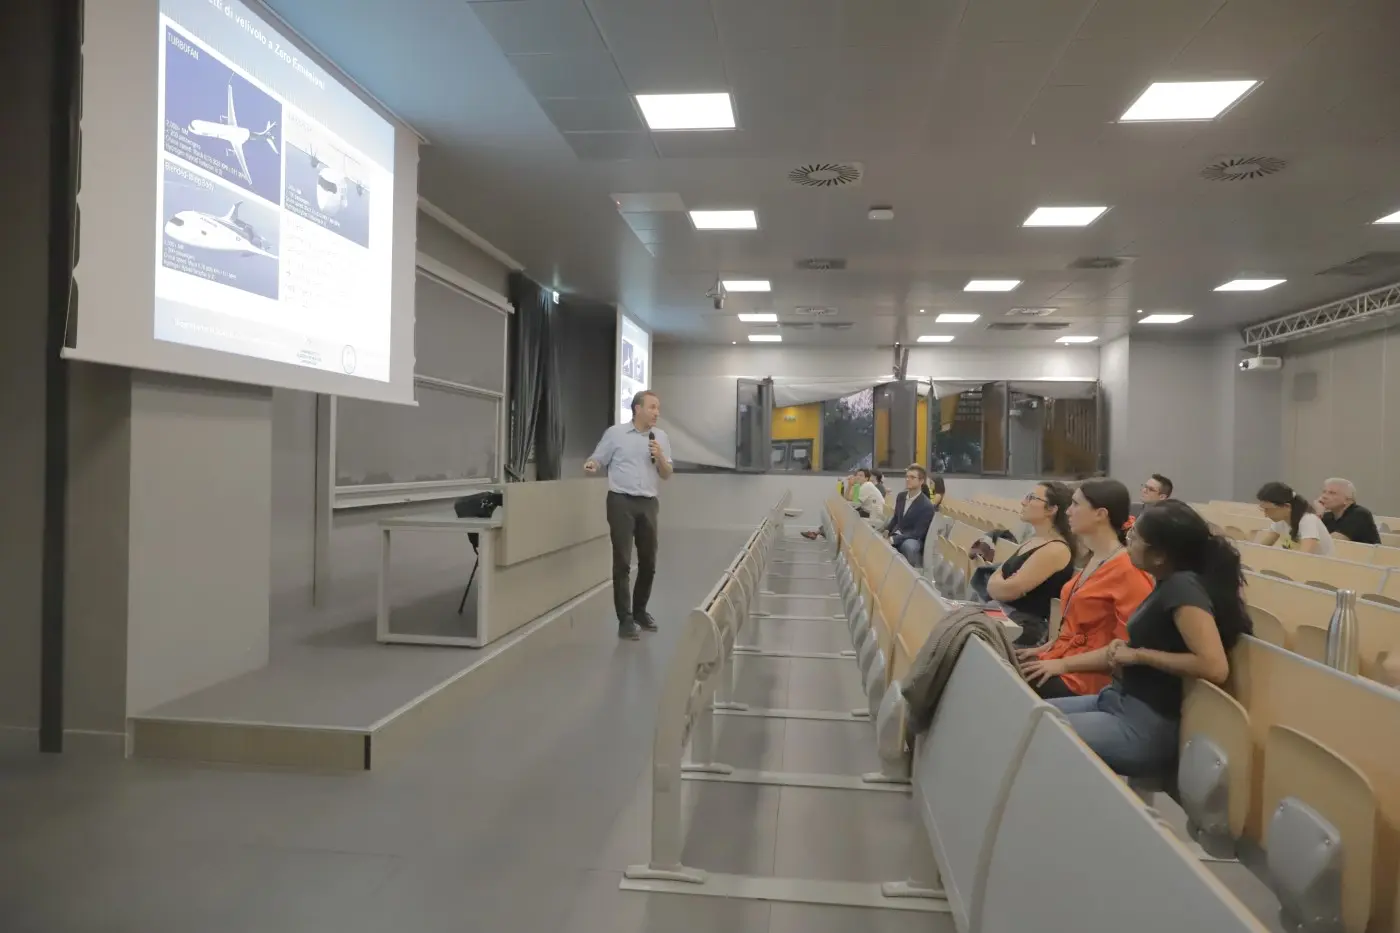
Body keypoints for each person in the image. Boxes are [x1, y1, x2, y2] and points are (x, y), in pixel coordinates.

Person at [1049, 500, 1251, 777]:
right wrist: (1127, 649)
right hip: (1117, 700)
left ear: (1159, 556)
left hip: (1143, 724)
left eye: (1134, 538)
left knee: (1040, 730)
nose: (1128, 542)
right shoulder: (1167, 582)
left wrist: (1139, 654)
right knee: (1028, 712)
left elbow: (1214, 666)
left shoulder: (1183, 588)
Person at [1020, 480, 1155, 700]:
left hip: (1089, 679)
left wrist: (1062, 664)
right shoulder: (1096, 558)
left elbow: (1125, 647)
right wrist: (1045, 649)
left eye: (1075, 504)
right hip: (1066, 662)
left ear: (1100, 514)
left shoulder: (1129, 570)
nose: (1068, 511)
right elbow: (1083, 630)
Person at [584, 390, 673, 640]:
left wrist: (660, 456)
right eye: (652, 407)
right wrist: (592, 464)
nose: (656, 413)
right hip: (620, 501)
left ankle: (640, 611)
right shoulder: (616, 434)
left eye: (658, 408)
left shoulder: (661, 437)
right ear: (637, 409)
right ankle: (625, 619)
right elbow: (598, 458)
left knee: (649, 561)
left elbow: (667, 473)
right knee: (622, 561)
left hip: (649, 503)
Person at [985, 483, 1077, 646]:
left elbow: (1008, 590)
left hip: (1025, 628)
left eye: (1031, 498)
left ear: (1051, 509)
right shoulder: (1033, 541)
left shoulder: (1055, 549)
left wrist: (1001, 584)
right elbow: (997, 578)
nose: (1023, 502)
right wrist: (1000, 584)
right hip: (1006, 615)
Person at [1255, 481, 1334, 555]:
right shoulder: (1280, 521)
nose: (1266, 515)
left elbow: (1304, 556)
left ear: (1287, 506)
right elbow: (1261, 549)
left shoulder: (1308, 520)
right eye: (1263, 509)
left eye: (1269, 509)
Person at [885, 464, 936, 565]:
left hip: (913, 538)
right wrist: (887, 530)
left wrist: (894, 539)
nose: (908, 479)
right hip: (898, 533)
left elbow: (917, 533)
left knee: (908, 546)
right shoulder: (901, 496)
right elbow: (896, 518)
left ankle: (910, 571)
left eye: (912, 477)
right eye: (907, 477)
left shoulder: (926, 506)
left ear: (921, 481)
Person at [1316, 477, 1380, 544]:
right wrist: (1316, 516)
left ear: (1347, 500)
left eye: (1332, 493)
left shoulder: (1360, 514)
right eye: (1324, 492)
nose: (1324, 496)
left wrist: (1318, 515)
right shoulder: (1327, 516)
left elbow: (1333, 542)